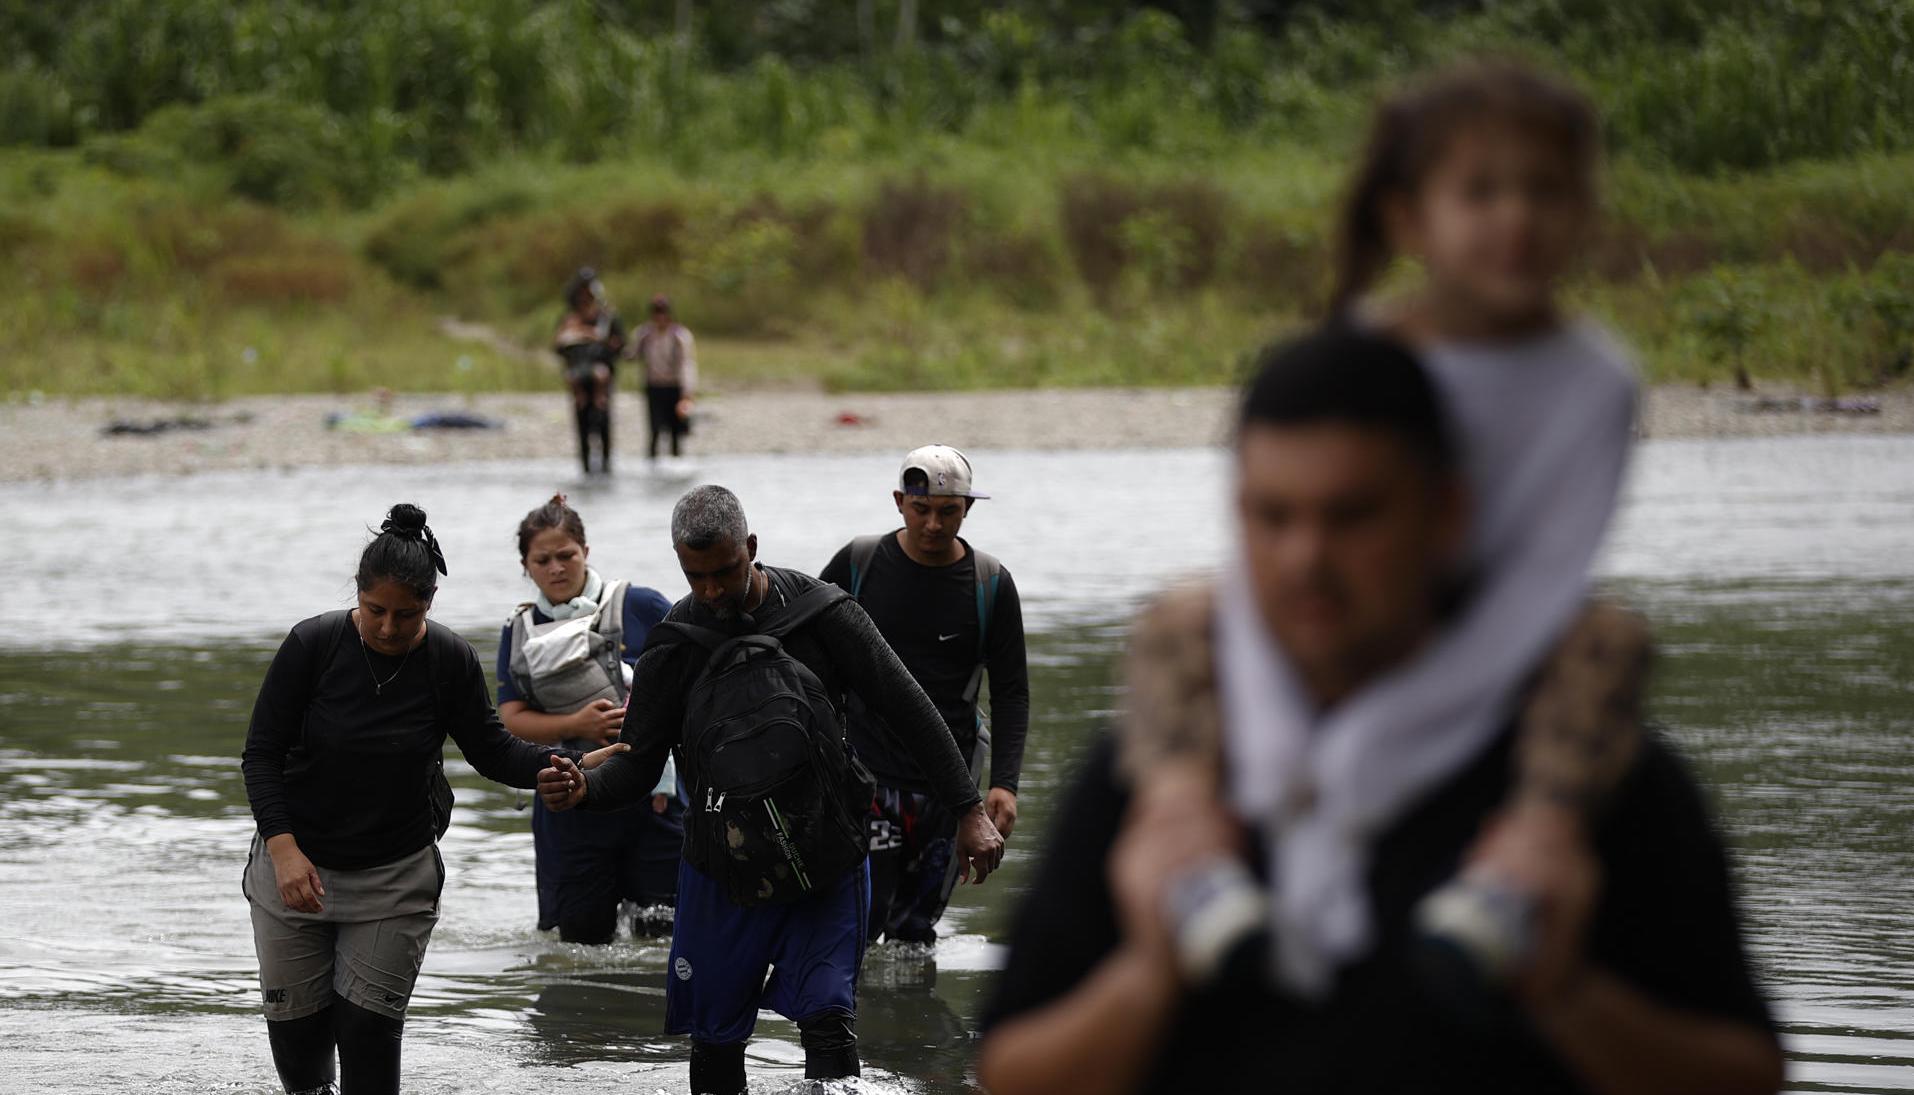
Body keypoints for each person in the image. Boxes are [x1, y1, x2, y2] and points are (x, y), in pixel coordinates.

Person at [977, 329, 1783, 1094]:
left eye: (1351, 515)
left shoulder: (1589, 779)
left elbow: (1744, 1075)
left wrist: (1566, 992)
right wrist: (1147, 970)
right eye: (1272, 515)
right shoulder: (1154, 776)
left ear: (1447, 514)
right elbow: (1010, 1071)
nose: (1305, 559)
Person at [537, 484, 1006, 1094]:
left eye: (725, 572)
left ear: (751, 548)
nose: (711, 591)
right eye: (695, 576)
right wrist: (584, 790)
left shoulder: (825, 615)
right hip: (718, 868)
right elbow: (637, 765)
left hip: (827, 855)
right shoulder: (674, 646)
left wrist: (968, 809)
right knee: (714, 1041)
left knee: (830, 1025)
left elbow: (910, 710)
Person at [240, 504, 628, 1095]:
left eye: (408, 614)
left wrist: (570, 765)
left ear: (430, 603)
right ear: (359, 597)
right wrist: (284, 849)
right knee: (301, 1049)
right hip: (295, 866)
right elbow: (260, 755)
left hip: (396, 875)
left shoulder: (447, 659)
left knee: (367, 1034)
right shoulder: (312, 645)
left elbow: (494, 750)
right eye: (376, 612)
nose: (390, 628)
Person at [820, 445, 1029, 945]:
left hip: (950, 785)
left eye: (948, 511)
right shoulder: (858, 564)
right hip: (868, 778)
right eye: (921, 510)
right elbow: (808, 654)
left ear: (967, 509)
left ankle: (909, 1019)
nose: (934, 524)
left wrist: (1004, 784)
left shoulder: (991, 584)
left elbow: (1011, 690)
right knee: (861, 925)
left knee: (915, 933)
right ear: (899, 502)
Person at [496, 494, 684, 943]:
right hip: (567, 803)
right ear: (526, 565)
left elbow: (692, 680)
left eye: (567, 556)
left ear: (586, 552)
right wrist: (577, 725)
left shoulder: (640, 605)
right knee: (580, 940)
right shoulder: (518, 629)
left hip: (653, 800)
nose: (556, 568)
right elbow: (510, 718)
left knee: (663, 936)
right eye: (543, 560)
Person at [554, 267, 625, 475]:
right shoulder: (569, 319)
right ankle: (585, 467)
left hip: (601, 379)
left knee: (603, 422)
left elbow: (619, 345)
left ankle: (605, 466)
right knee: (582, 424)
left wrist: (604, 343)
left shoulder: (608, 318)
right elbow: (559, 347)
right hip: (579, 378)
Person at [632, 294, 696, 462]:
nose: (660, 316)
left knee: (675, 431)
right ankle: (651, 463)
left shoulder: (680, 336)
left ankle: (676, 463)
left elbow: (687, 364)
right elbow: (633, 355)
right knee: (654, 429)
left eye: (663, 312)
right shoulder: (644, 334)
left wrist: (687, 393)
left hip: (674, 387)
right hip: (653, 386)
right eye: (656, 312)